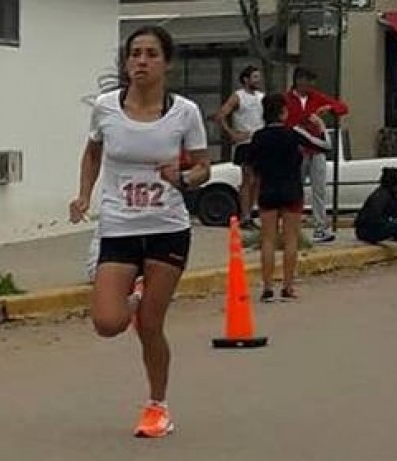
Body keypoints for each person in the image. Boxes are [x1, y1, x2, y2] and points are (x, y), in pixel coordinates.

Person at [69, 25, 210, 439]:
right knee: (108, 322)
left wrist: (183, 177)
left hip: (167, 226)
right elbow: (93, 152)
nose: (141, 61)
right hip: (119, 226)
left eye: (150, 54)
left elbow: (203, 166)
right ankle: (132, 294)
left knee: (150, 325)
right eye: (135, 54)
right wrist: (83, 196)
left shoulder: (185, 111)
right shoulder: (106, 107)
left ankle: (157, 406)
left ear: (166, 62)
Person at [249, 93, 332, 302]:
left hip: (267, 189)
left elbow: (251, 164)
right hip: (291, 189)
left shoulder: (258, 136)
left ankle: (267, 287)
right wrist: (320, 126)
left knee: (267, 239)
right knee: (290, 239)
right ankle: (288, 286)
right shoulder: (293, 133)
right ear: (282, 112)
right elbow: (324, 146)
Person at [284, 66, 349, 243]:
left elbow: (342, 107)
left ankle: (320, 227)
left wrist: (328, 108)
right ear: (298, 80)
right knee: (295, 189)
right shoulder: (286, 99)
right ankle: (291, 226)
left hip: (316, 149)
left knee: (319, 189)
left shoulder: (316, 97)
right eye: (307, 80)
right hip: (296, 150)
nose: (310, 85)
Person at [213, 65, 264, 230]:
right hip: (245, 142)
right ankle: (245, 216)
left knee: (257, 180)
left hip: (260, 141)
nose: (258, 80)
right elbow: (221, 115)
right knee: (247, 179)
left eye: (258, 77)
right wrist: (232, 133)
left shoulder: (261, 97)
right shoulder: (238, 96)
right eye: (255, 77)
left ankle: (251, 211)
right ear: (246, 80)